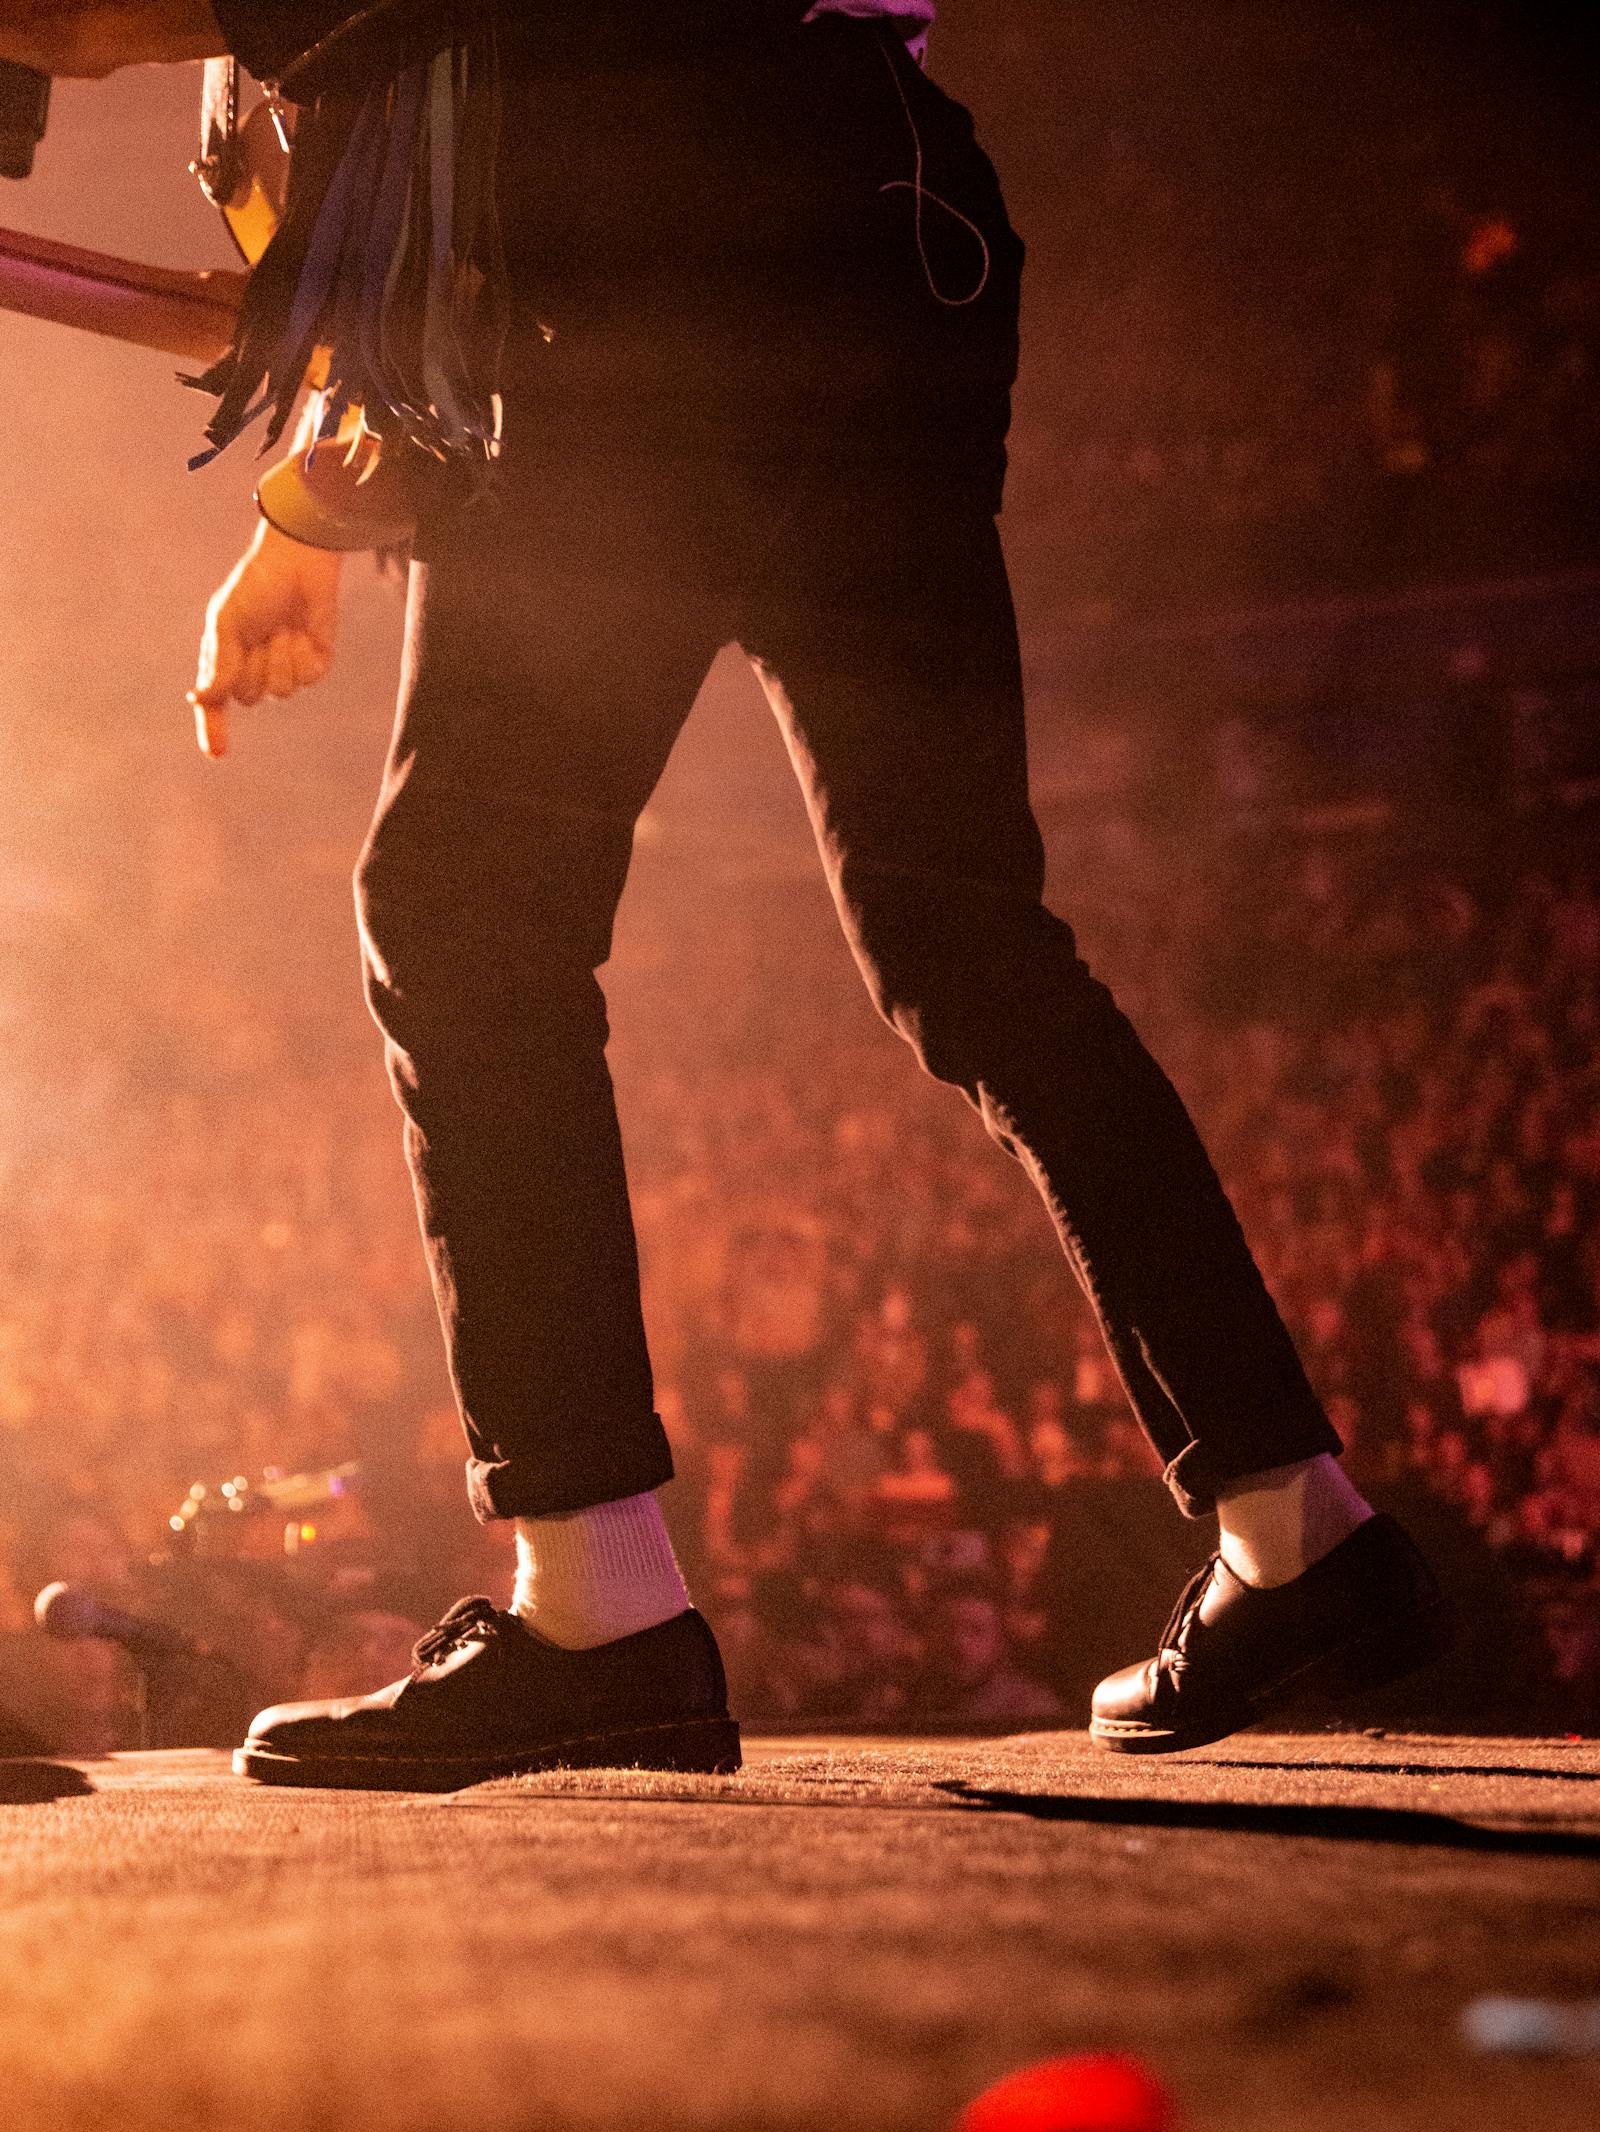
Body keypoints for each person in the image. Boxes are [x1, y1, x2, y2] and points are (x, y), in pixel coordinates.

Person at [8, 0, 1449, 1787]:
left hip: (651, 252)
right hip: (875, 223)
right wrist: (295, 520)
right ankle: (1294, 1528)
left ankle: (595, 1610)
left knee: (469, 907)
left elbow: (110, 19)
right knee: (965, 938)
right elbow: (396, 235)